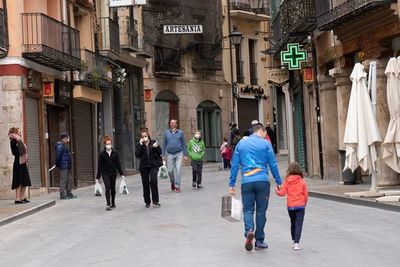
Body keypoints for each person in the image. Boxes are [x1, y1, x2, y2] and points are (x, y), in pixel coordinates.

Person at [229, 124, 282, 251]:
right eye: (265, 134)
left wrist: (231, 184)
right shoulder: (266, 144)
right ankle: (259, 241)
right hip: (262, 181)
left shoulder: (241, 144)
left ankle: (249, 231)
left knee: (248, 210)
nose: (265, 136)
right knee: (261, 211)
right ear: (261, 131)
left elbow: (235, 165)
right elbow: (272, 164)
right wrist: (278, 181)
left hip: (246, 182)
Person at [275, 162, 308, 250]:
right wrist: (304, 204)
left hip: (291, 207)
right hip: (300, 206)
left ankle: (294, 240)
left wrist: (276, 191)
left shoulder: (287, 181)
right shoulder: (302, 181)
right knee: (299, 224)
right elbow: (305, 195)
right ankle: (297, 243)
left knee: (293, 223)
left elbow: (282, 193)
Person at [135, 129, 162, 208]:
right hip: (144, 167)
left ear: (148, 136)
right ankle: (147, 201)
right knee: (145, 184)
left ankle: (155, 201)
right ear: (141, 138)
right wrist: (140, 145)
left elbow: (160, 152)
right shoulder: (139, 144)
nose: (144, 138)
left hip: (153, 165)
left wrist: (156, 147)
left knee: (153, 181)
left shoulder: (153, 142)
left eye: (145, 136)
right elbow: (137, 155)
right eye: (143, 136)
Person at [96, 136, 124, 211]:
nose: (108, 145)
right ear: (105, 145)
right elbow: (100, 165)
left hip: (113, 173)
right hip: (105, 173)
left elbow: (118, 163)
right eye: (107, 144)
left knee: (113, 189)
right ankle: (108, 204)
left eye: (109, 143)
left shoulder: (115, 153)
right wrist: (97, 177)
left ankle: (113, 202)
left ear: (111, 144)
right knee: (107, 188)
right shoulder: (102, 154)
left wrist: (121, 173)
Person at [162, 119, 188, 193]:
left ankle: (177, 186)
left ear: (176, 125)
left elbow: (183, 144)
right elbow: (164, 144)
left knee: (178, 170)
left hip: (179, 153)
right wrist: (163, 154)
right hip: (170, 154)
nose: (172, 124)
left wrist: (185, 154)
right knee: (170, 170)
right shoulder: (166, 133)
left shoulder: (180, 133)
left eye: (173, 123)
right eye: (171, 123)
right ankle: (172, 182)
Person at [9, 127, 31, 204]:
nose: (20, 133)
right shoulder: (13, 141)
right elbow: (14, 152)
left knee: (25, 181)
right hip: (18, 163)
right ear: (15, 132)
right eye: (19, 131)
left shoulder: (19, 140)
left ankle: (22, 197)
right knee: (18, 181)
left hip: (23, 162)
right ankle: (17, 199)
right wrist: (18, 148)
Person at [56, 134, 76, 200]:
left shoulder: (65, 146)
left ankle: (69, 193)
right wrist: (58, 164)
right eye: (65, 138)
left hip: (68, 166)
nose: (66, 139)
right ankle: (62, 195)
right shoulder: (60, 146)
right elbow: (58, 157)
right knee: (63, 181)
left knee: (69, 180)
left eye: (66, 138)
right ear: (62, 139)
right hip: (63, 166)